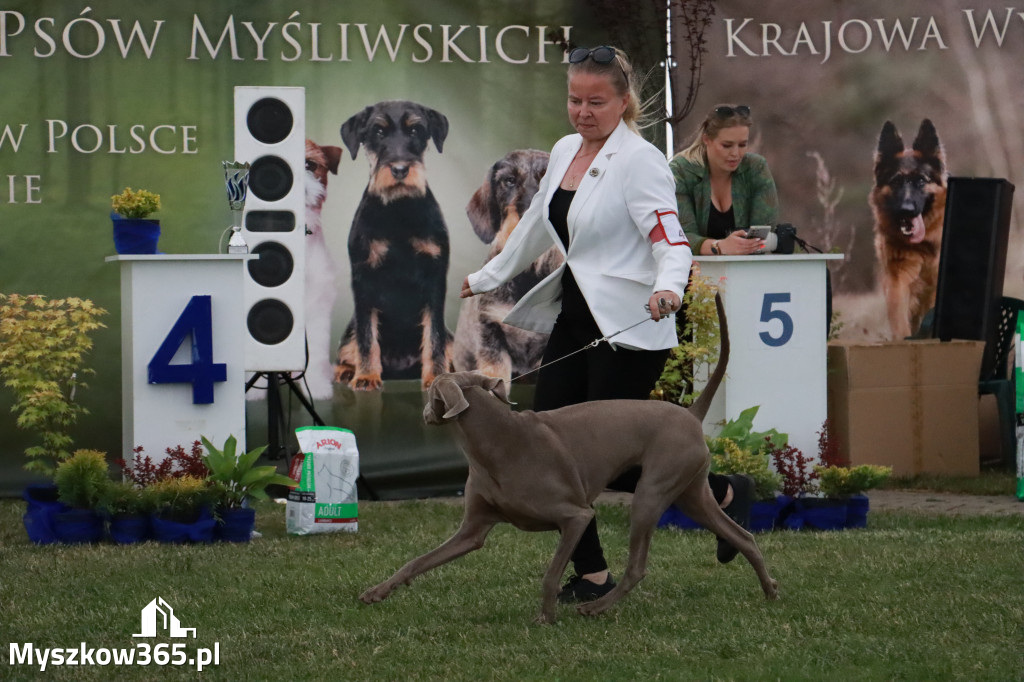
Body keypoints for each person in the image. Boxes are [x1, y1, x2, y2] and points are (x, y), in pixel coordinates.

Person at [460, 46, 752, 604]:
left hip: (631, 327)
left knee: (603, 460)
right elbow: (537, 227)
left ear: (624, 102)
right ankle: (593, 574)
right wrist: (488, 273)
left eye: (597, 101)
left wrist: (669, 286)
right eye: (575, 99)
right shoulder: (567, 149)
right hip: (576, 316)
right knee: (549, 448)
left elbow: (669, 237)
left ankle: (720, 494)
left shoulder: (640, 162)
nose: (582, 112)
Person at [670, 104, 780, 257]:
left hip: (747, 269)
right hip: (694, 272)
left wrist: (745, 245)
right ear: (706, 139)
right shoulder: (681, 171)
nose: (735, 153)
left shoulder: (756, 168)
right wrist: (719, 246)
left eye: (742, 145)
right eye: (727, 145)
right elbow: (679, 235)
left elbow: (764, 231)